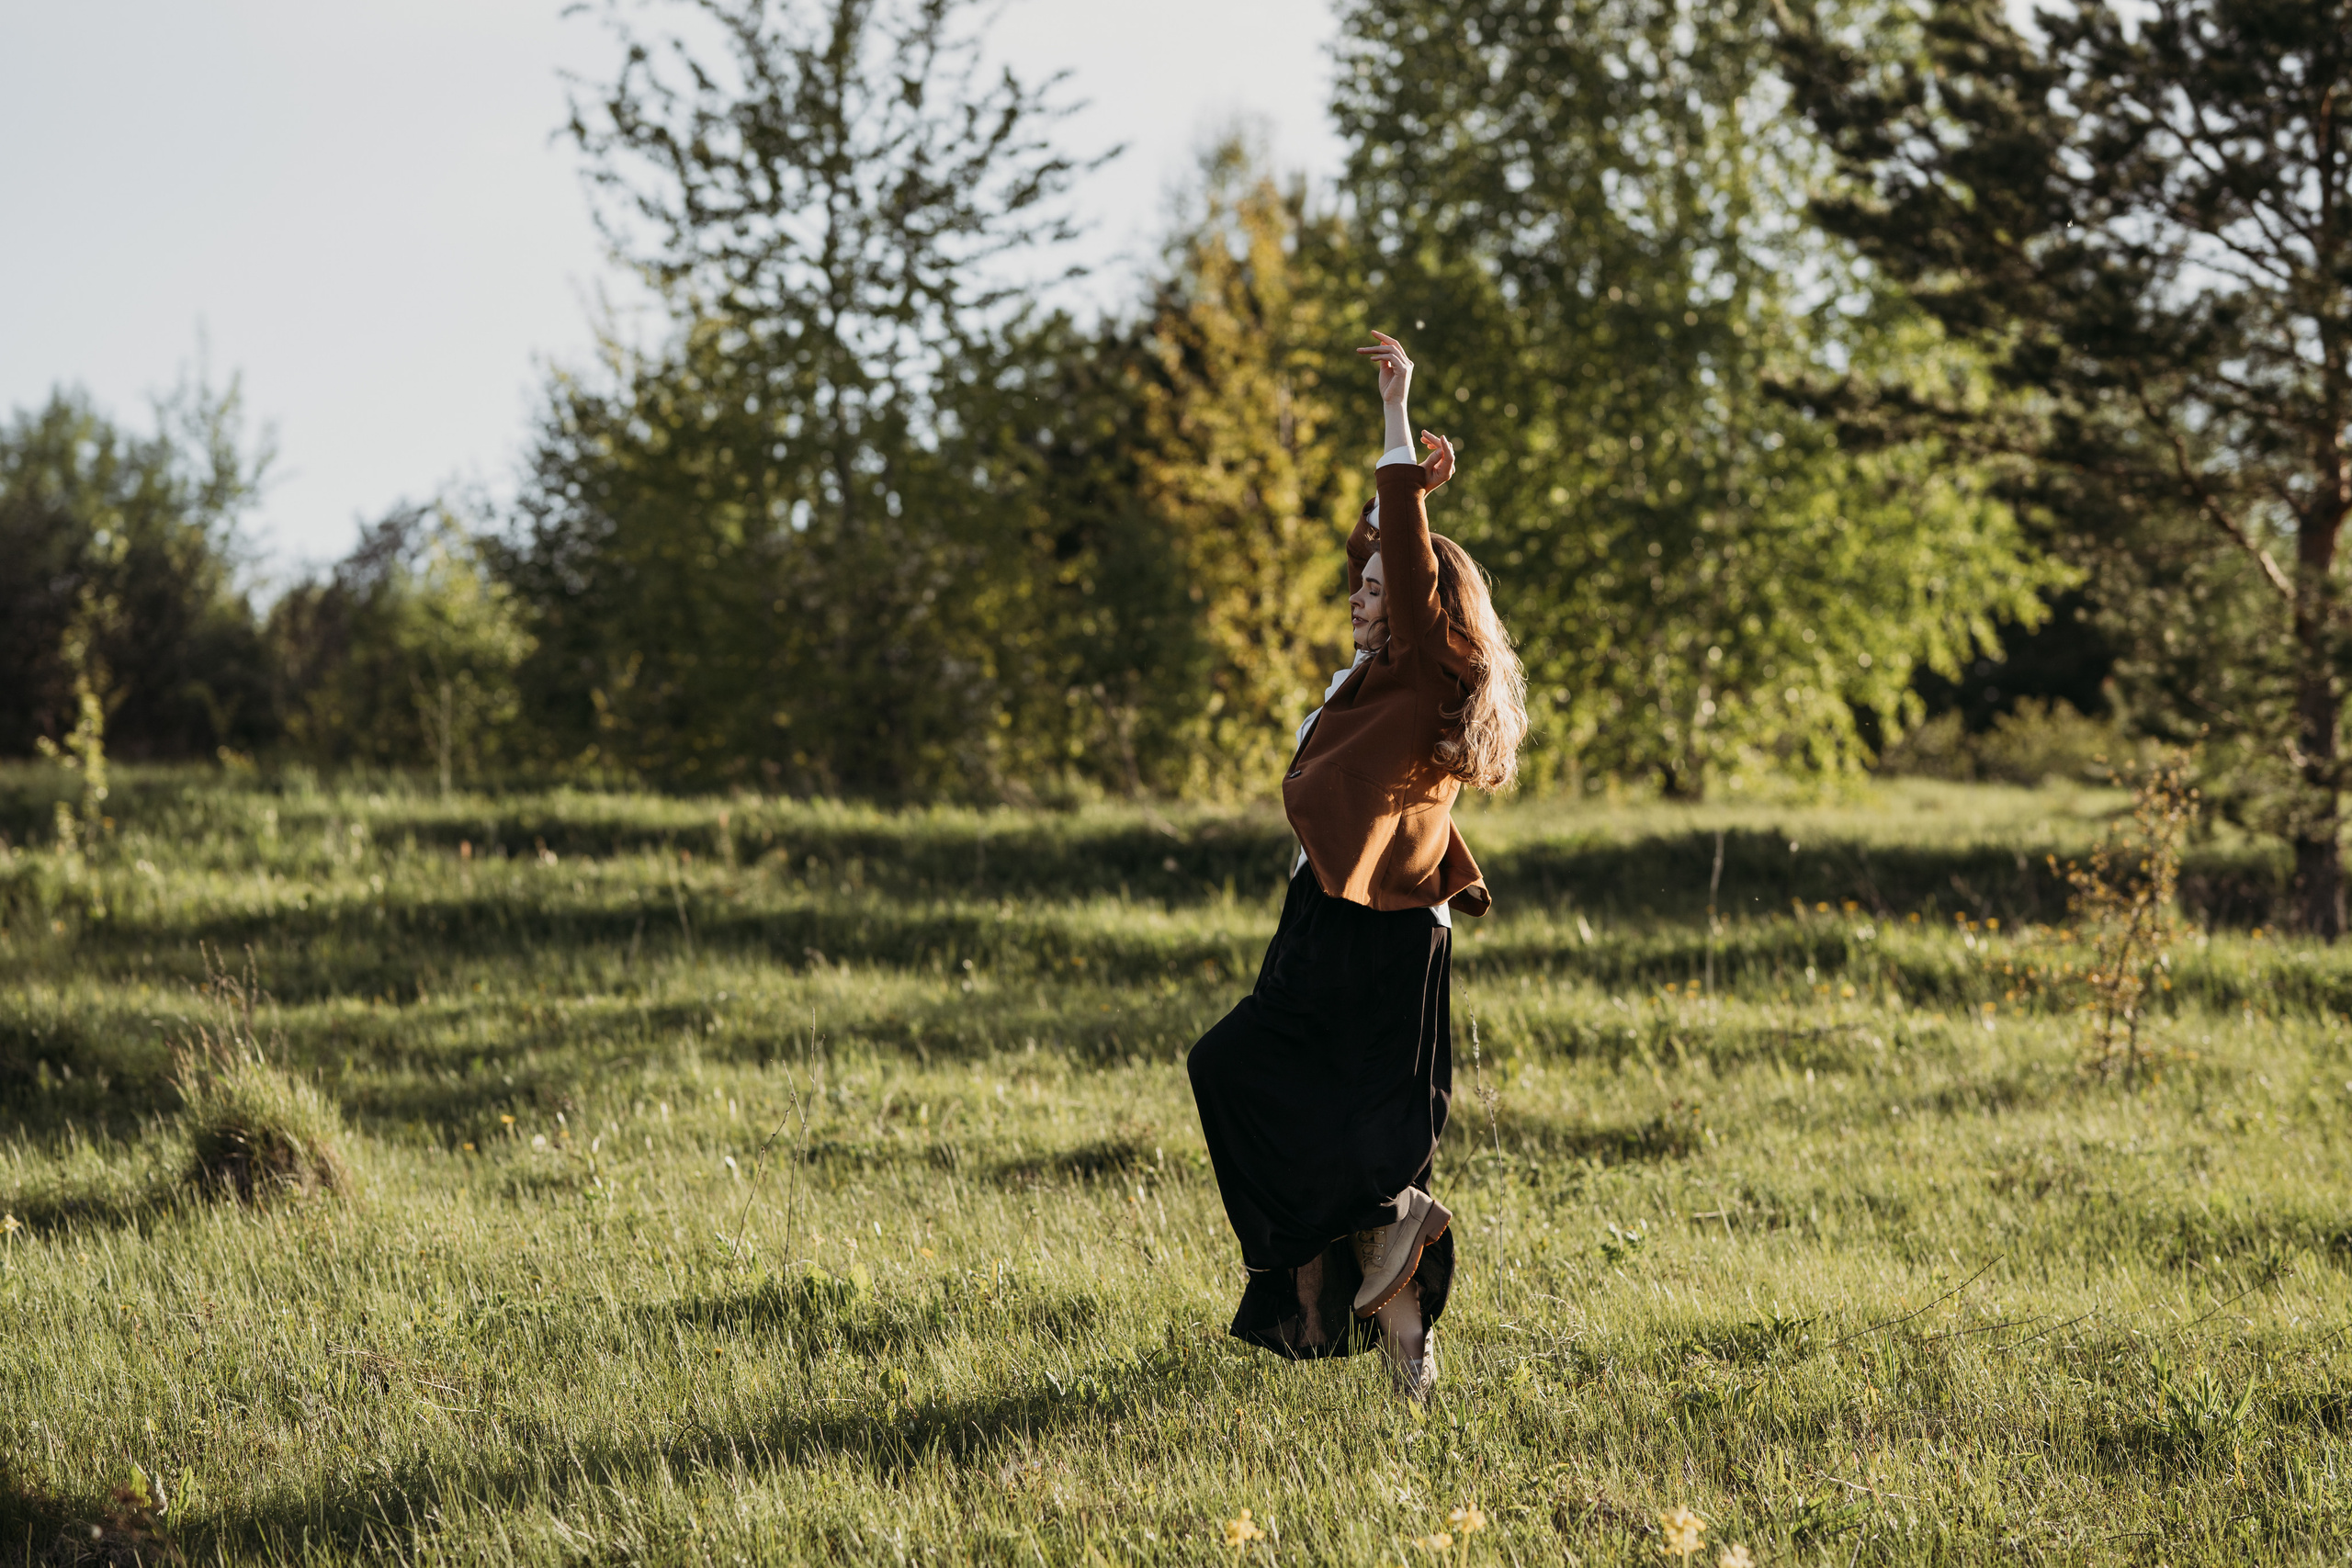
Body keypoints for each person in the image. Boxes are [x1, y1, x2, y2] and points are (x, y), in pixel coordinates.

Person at [1186, 330, 1530, 1399]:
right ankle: (1365, 1307)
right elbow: (1374, 547)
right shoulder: (1365, 681)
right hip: (1323, 917)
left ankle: (1381, 1293)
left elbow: (1412, 563)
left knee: (1248, 1077)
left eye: (1385, 583)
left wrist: (1395, 419)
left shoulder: (1427, 672)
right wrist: (1393, 504)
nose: (1365, 594)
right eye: (1362, 582)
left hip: (1376, 931)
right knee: (1304, 1110)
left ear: (1429, 603)